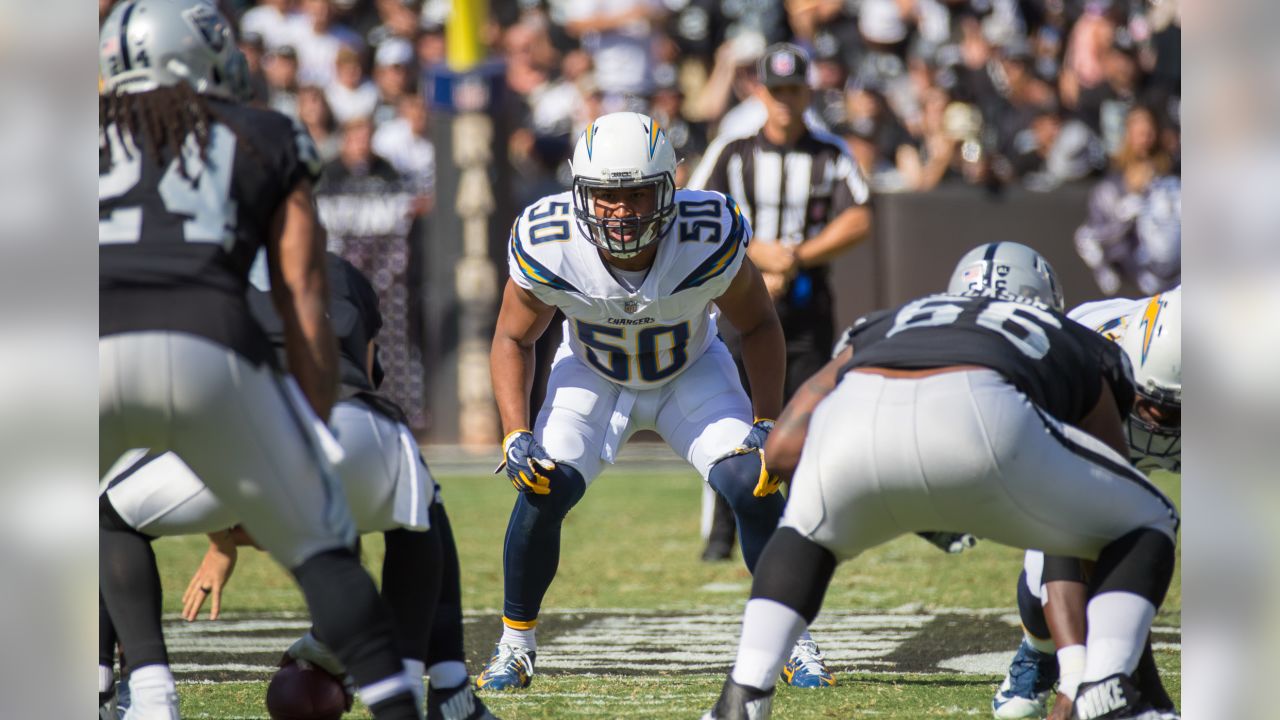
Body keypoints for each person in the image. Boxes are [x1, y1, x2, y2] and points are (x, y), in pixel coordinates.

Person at [98, 3, 421, 718]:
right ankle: (399, 705)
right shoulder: (263, 134)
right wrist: (309, 426)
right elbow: (304, 293)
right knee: (322, 534)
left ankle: (136, 691)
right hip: (207, 345)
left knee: (83, 516)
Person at [702, 260, 1179, 719]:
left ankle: (743, 694)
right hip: (984, 420)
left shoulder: (890, 320)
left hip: (855, 430)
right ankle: (1107, 686)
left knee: (805, 534)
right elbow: (1094, 508)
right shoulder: (1071, 333)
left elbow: (783, 450)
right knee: (1146, 518)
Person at [476, 111, 833, 692]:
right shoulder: (553, 240)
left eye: (638, 194)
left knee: (753, 481)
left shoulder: (706, 231)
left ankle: (791, 638)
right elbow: (513, 337)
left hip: (690, 373)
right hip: (592, 377)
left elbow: (761, 325)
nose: (621, 211)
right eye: (606, 196)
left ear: (669, 187)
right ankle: (515, 644)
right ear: (579, 193)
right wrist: (516, 433)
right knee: (543, 484)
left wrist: (767, 421)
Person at [98, 254, 499, 720]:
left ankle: (137, 697)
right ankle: (442, 689)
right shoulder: (333, 270)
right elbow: (366, 377)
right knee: (420, 499)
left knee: (107, 516)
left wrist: (223, 530)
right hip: (345, 422)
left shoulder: (177, 269)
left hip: (234, 428)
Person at [688, 43, 873, 567]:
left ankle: (807, 525)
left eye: (795, 89)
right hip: (741, 303)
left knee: (810, 413)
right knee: (732, 417)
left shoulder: (831, 152)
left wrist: (795, 258)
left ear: (808, 91)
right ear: (761, 91)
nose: (786, 100)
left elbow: (860, 218)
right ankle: (722, 532)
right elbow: (697, 213)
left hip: (807, 304)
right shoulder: (732, 150)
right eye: (778, 90)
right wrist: (756, 255)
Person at [984, 284, 1182, 720]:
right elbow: (1065, 528)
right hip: (1100, 429)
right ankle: (1039, 651)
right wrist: (1081, 678)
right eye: (1156, 407)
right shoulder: (1080, 363)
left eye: (1180, 411)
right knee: (1049, 574)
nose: (1164, 425)